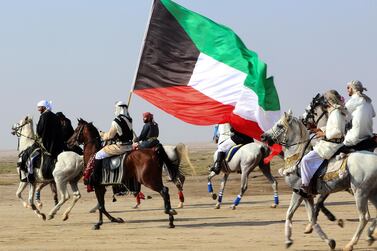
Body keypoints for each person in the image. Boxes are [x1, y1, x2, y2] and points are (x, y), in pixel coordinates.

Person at [300, 90, 346, 195]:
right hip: (331, 143)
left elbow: (338, 131)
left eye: (326, 100)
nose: (324, 102)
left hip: (331, 145)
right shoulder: (335, 112)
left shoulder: (335, 113)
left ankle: (306, 186)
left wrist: (324, 134)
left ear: (330, 100)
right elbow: (332, 127)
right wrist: (319, 130)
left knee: (305, 160)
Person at [86, 101, 133, 186]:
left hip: (120, 147)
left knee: (98, 155)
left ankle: (95, 178)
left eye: (116, 108)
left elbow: (110, 136)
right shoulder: (130, 120)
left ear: (119, 108)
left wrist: (102, 134)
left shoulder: (116, 121)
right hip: (129, 146)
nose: (115, 110)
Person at [343, 80, 376, 151]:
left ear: (352, 88)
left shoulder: (354, 99)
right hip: (368, 135)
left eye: (348, 88)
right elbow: (373, 114)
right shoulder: (368, 101)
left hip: (355, 138)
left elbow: (342, 113)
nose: (347, 90)